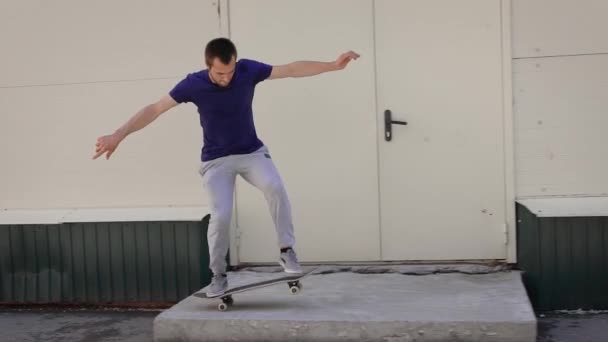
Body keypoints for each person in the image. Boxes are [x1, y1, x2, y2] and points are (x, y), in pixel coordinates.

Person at [93, 37, 359, 296]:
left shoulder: (247, 70)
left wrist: (332, 65)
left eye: (230, 72)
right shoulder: (193, 83)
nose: (226, 78)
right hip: (216, 161)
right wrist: (119, 135)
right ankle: (218, 274)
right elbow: (154, 109)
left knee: (275, 187)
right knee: (221, 215)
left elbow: (290, 69)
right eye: (220, 73)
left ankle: (286, 250)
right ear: (208, 65)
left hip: (251, 153)